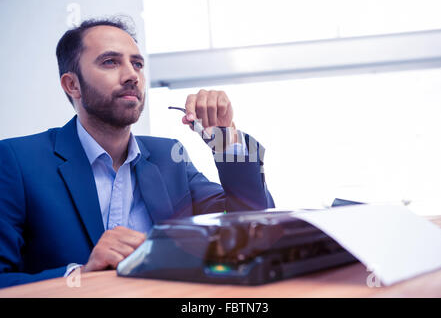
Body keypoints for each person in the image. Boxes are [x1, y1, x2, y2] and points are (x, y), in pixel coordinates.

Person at [0, 17, 274, 288]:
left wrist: (226, 140)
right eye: (110, 62)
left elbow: (253, 229)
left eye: (137, 64)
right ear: (72, 85)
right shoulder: (16, 160)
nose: (132, 75)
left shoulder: (169, 156)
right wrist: (81, 274)